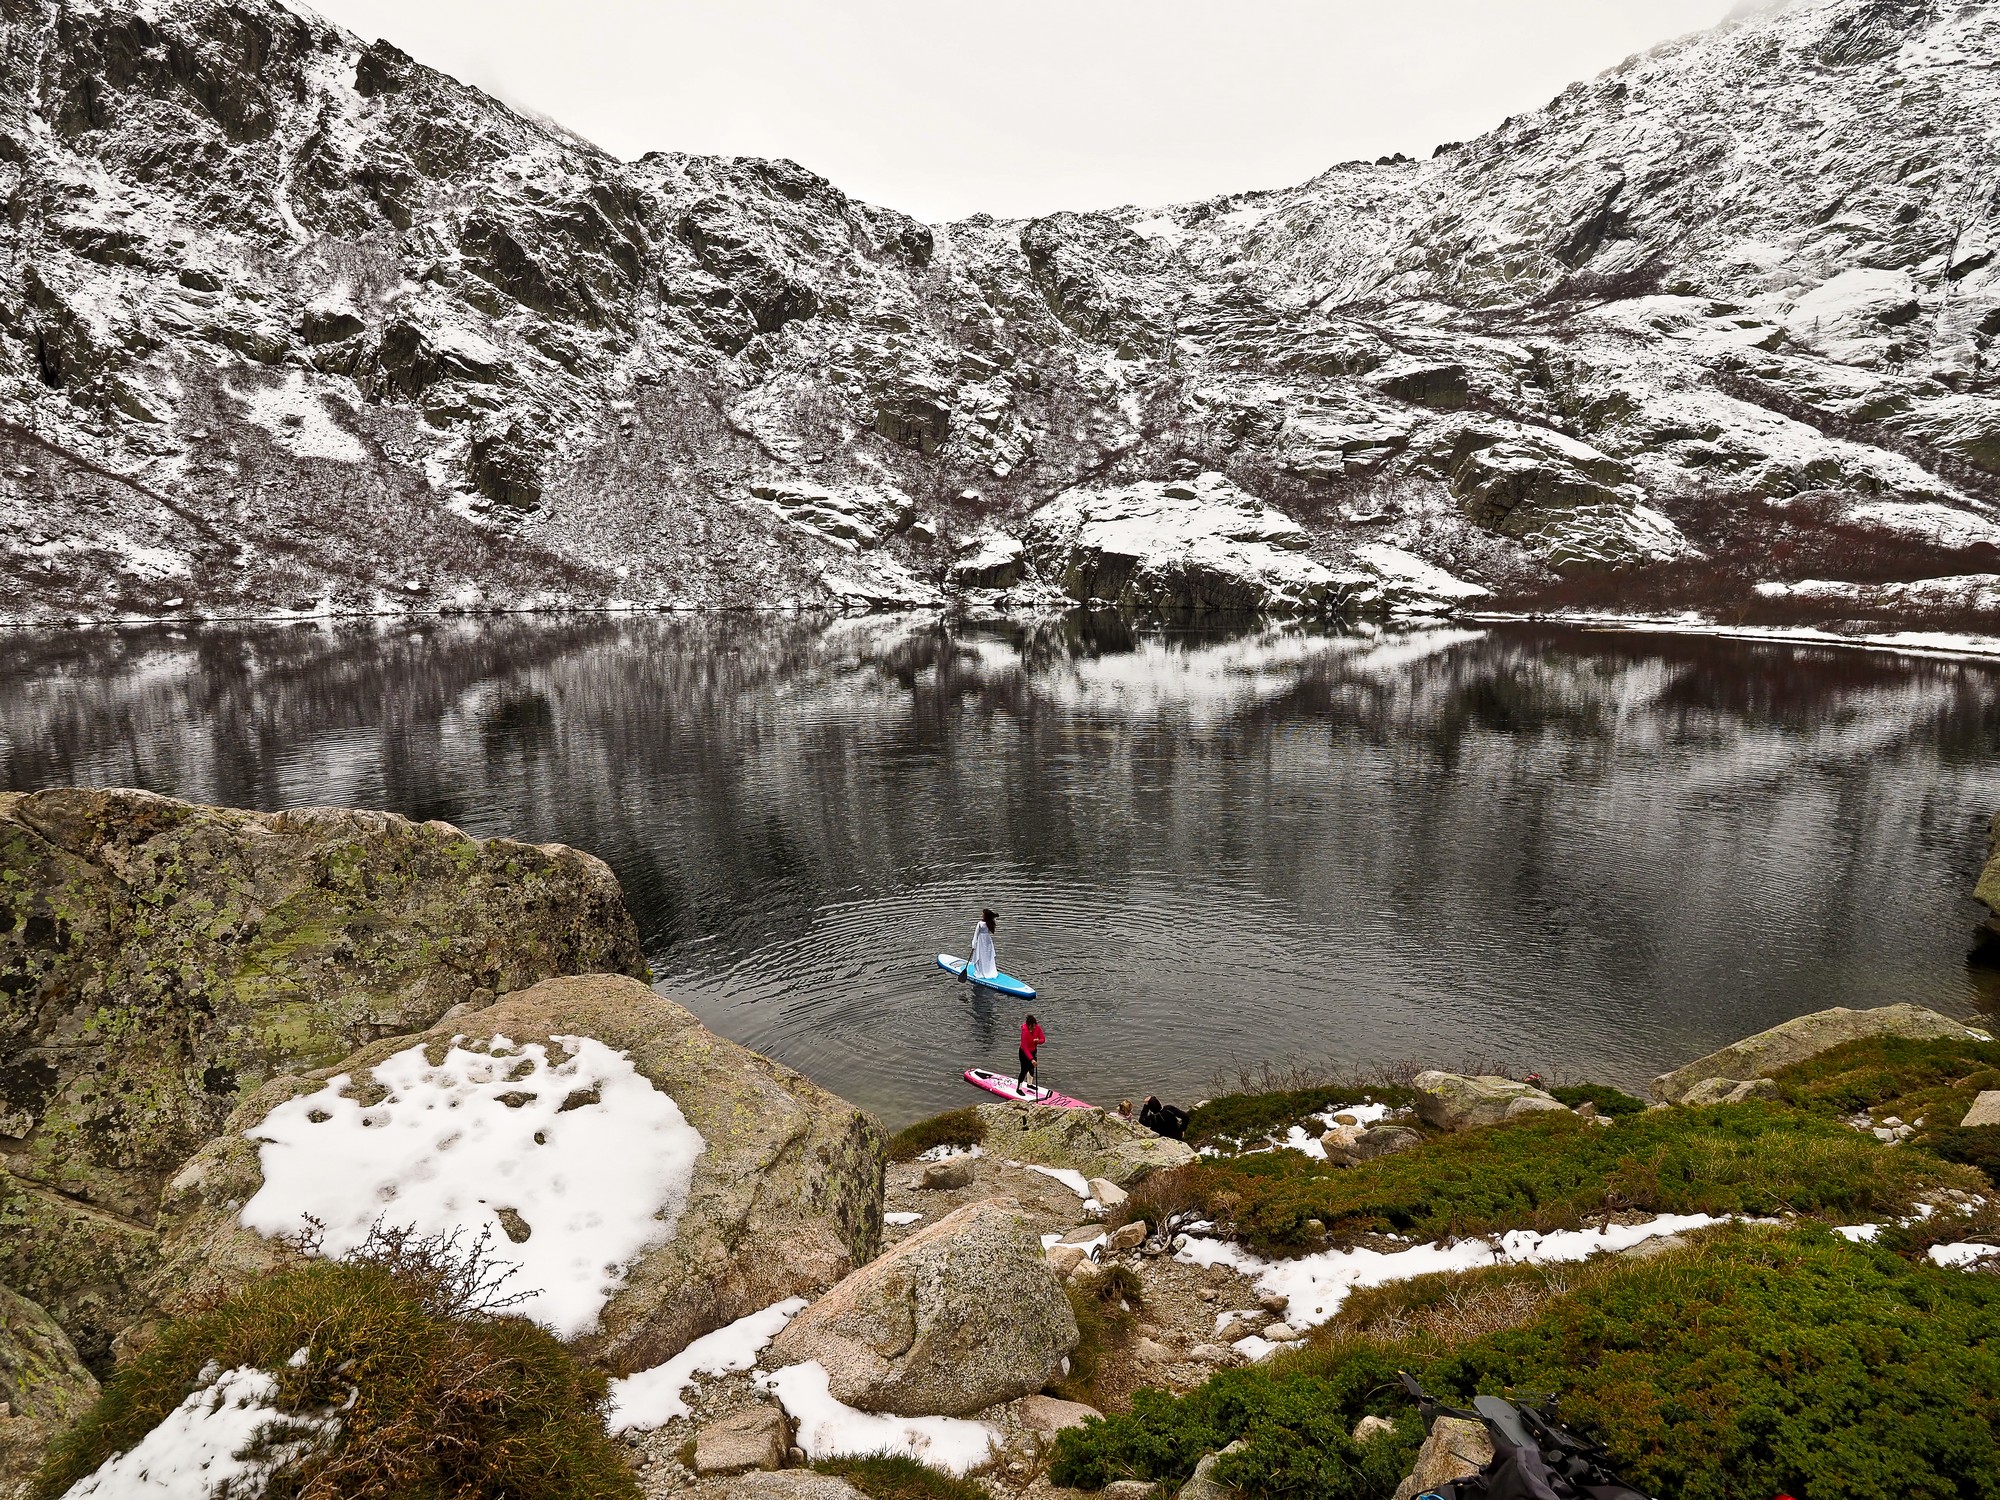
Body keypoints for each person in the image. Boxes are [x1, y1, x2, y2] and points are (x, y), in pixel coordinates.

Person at [965, 908, 1000, 981]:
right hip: (988, 941)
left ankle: (981, 971)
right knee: (987, 956)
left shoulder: (980, 924)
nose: (981, 915)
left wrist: (974, 944)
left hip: (981, 941)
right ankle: (989, 970)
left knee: (981, 956)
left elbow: (976, 935)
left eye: (983, 914)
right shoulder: (990, 922)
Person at [1017, 1012, 1045, 1096]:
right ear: (1028, 1025)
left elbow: (1043, 1039)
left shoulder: (1037, 1028)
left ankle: (1029, 1084)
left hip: (1033, 1051)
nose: (1033, 1028)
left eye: (1034, 1026)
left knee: (1032, 1068)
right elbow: (1025, 1048)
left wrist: (1038, 1041)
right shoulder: (1024, 1032)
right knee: (1024, 1070)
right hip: (1024, 1053)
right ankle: (1019, 1088)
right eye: (1031, 1026)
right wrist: (1031, 1059)